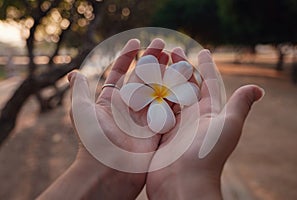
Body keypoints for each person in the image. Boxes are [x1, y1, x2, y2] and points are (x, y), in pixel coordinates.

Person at [37, 38, 264, 200]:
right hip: (157, 97)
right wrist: (185, 182)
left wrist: (101, 170)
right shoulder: (143, 90)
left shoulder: (170, 93)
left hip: (160, 98)